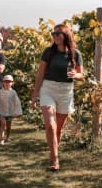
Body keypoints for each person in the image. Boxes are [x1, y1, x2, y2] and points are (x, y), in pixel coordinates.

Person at [30, 24, 84, 171]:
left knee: (58, 129)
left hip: (66, 91)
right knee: (51, 126)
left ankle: (53, 151)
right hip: (49, 89)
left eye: (58, 34)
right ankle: (54, 160)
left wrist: (76, 75)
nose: (55, 36)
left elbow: (81, 74)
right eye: (53, 34)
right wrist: (35, 94)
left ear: (66, 35)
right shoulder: (48, 52)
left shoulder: (75, 53)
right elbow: (40, 74)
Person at [0, 75, 22, 145]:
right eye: (6, 81)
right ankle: (1, 139)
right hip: (1, 111)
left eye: (9, 81)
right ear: (3, 82)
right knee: (2, 124)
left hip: (10, 112)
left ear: (12, 83)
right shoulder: (0, 92)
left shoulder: (13, 92)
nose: (7, 83)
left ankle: (7, 137)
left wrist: (18, 112)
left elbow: (17, 102)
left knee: (8, 126)